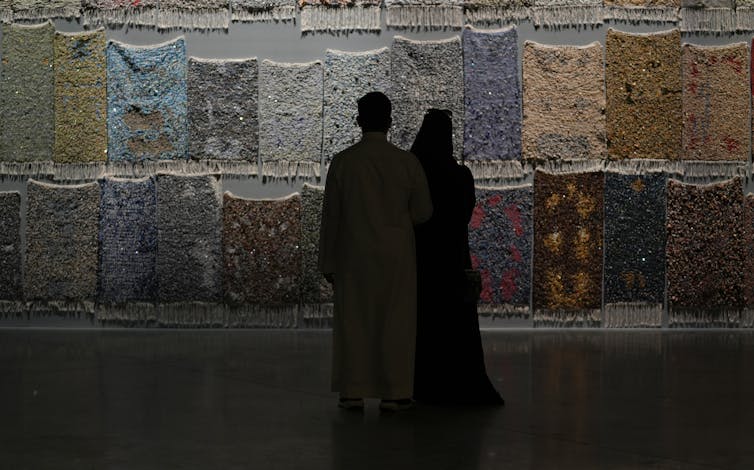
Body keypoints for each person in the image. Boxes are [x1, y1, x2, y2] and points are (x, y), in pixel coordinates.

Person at [319, 92, 433, 412]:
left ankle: (352, 391)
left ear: (358, 120)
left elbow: (331, 216)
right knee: (395, 322)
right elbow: (423, 212)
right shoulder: (406, 162)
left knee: (354, 322)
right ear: (390, 120)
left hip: (353, 254)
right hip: (396, 255)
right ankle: (394, 391)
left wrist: (327, 262)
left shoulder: (343, 162)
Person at [411, 109, 504, 406]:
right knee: (456, 324)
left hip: (421, 258)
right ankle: (459, 385)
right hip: (452, 256)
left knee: (424, 322)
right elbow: (464, 214)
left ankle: (424, 386)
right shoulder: (460, 175)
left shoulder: (414, 172)